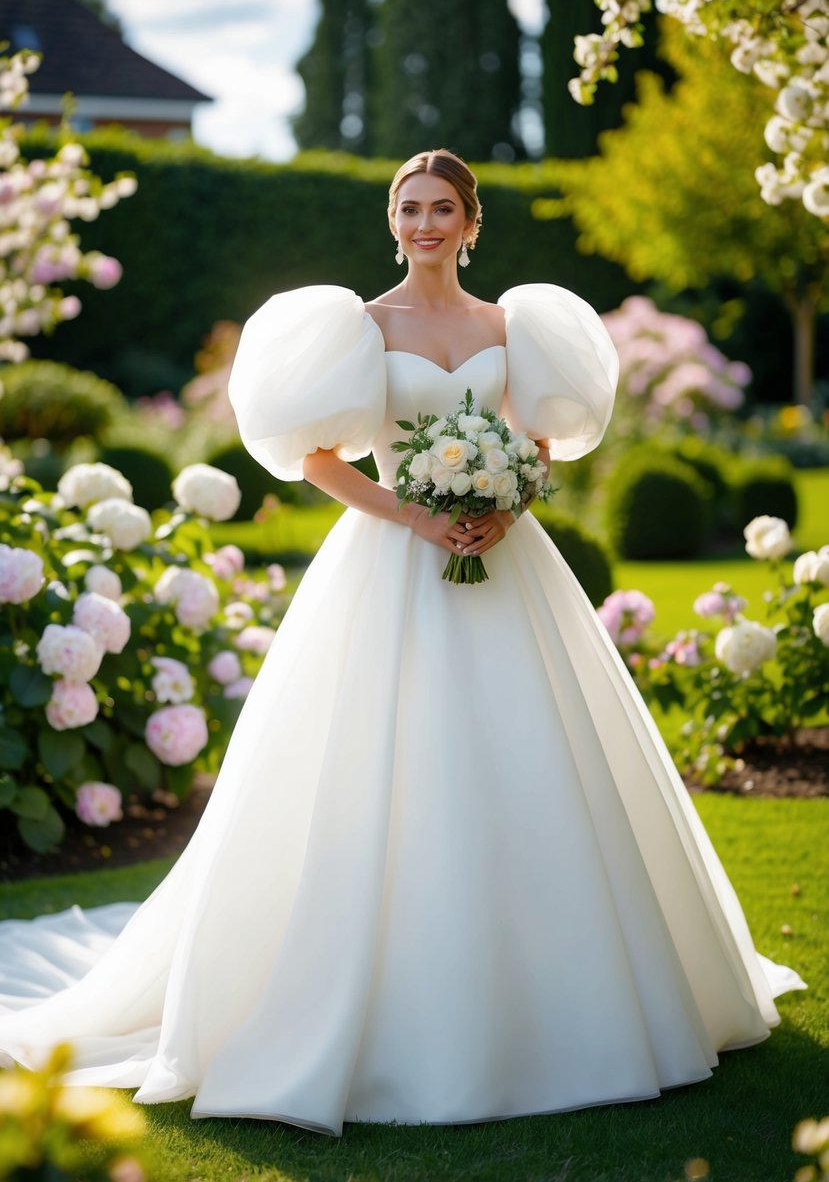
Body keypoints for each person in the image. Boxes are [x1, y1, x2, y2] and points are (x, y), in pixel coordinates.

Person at [0, 149, 805, 1137]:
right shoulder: (359, 327)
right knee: (384, 771)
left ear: (472, 224)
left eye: (442, 209)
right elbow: (317, 459)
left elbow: (539, 436)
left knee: (538, 766)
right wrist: (415, 517)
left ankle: (572, 994)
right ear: (393, 221)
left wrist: (510, 501)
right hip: (390, 562)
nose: (424, 223)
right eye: (408, 207)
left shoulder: (512, 324)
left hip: (509, 560)